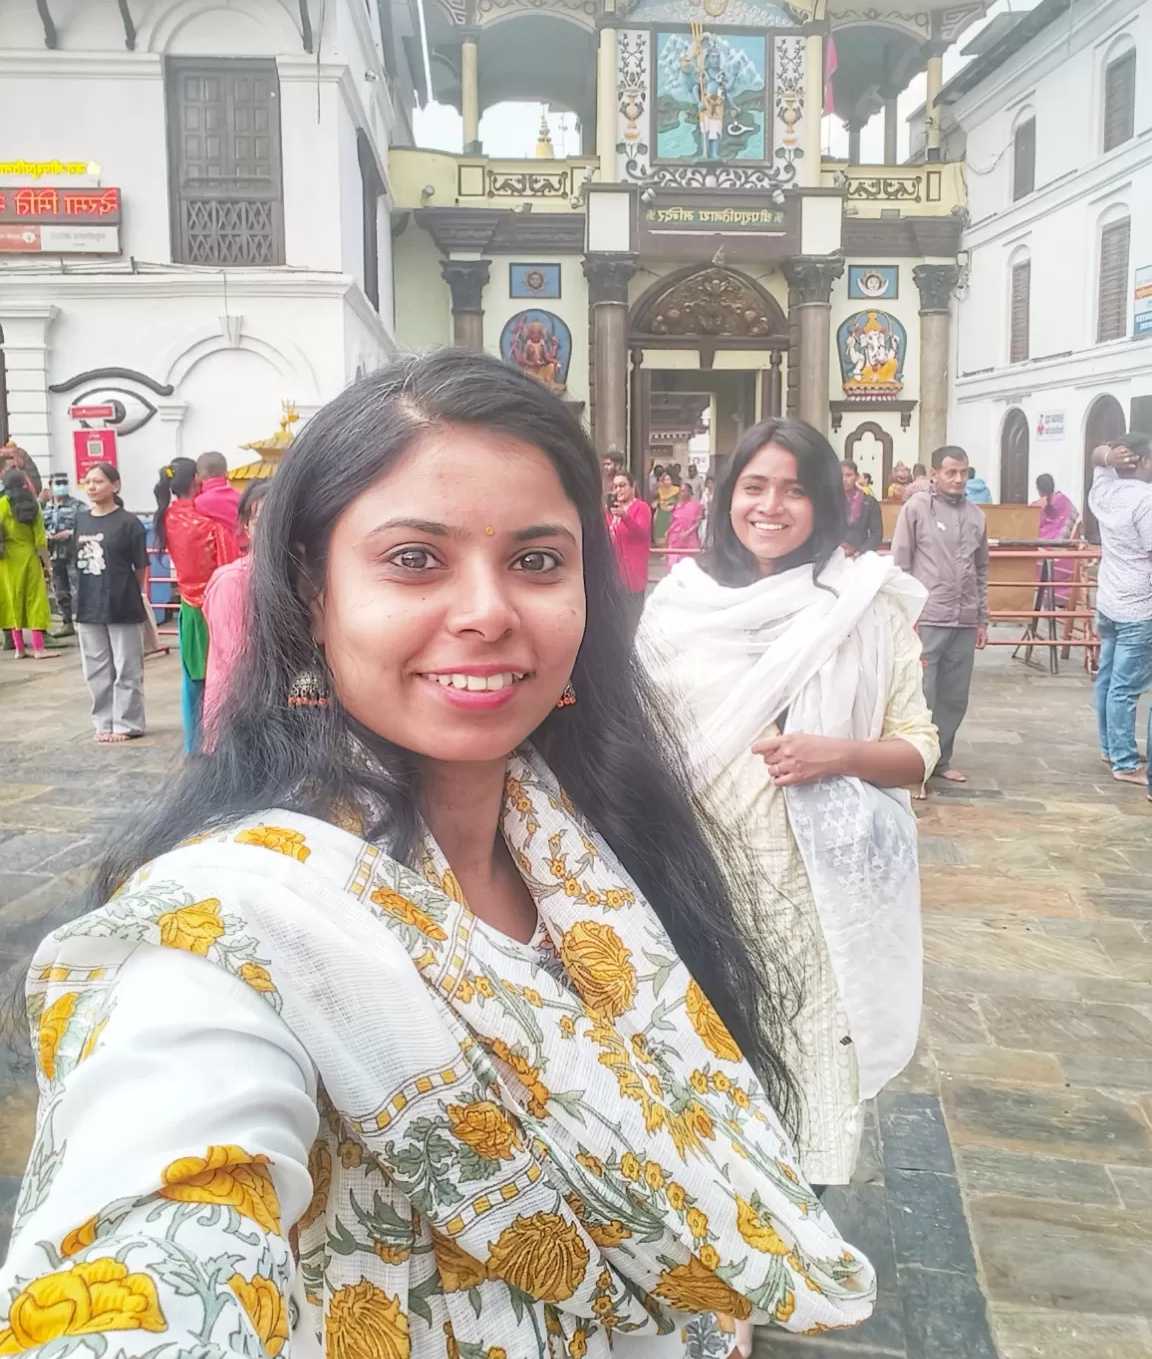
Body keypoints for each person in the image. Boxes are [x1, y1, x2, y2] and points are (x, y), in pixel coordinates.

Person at [2, 351, 877, 1358]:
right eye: (415, 559)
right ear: (312, 592)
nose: (488, 612)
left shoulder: (601, 851)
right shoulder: (233, 929)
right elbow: (159, 1232)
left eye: (538, 561)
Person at [638, 417, 937, 1195]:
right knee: (704, 1057)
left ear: (828, 503)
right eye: (755, 486)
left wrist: (835, 753)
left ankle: (788, 1228)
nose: (771, 507)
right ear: (726, 494)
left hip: (813, 890)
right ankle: (720, 1247)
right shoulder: (680, 604)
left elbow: (917, 747)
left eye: (795, 491)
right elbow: (633, 742)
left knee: (801, 1055)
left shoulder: (862, 606)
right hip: (694, 872)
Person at [891, 445, 988, 785]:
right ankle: (915, 766)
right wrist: (905, 617)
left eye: (963, 472)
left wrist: (981, 619)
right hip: (926, 618)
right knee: (921, 694)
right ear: (934, 474)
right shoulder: (916, 509)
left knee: (953, 696)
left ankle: (941, 760)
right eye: (950, 472)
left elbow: (981, 571)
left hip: (963, 619)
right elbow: (900, 564)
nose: (958, 478)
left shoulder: (977, 516)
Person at [154, 457, 239, 753]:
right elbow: (228, 566)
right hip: (215, 608)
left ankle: (194, 744)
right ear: (197, 481)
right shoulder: (209, 522)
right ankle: (221, 742)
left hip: (188, 608)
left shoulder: (166, 518)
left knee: (192, 680)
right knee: (223, 676)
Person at [1087, 435, 1152, 786]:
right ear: (1141, 461)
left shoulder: (1104, 491)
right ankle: (1126, 762)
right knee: (1125, 687)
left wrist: (1107, 456)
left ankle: (1111, 746)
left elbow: (1096, 459)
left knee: (1109, 679)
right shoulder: (1145, 500)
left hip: (1110, 600)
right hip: (1140, 605)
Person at [75, 461, 149, 742]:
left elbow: (140, 567)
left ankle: (127, 723)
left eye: (98, 481)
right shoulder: (81, 520)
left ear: (115, 486)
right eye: (88, 481)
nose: (92, 486)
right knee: (95, 668)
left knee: (126, 667)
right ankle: (103, 722)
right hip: (88, 604)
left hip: (122, 604)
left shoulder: (129, 522)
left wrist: (130, 592)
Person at [201, 479, 271, 745]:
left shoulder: (303, 577)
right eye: (261, 519)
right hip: (242, 722)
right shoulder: (233, 582)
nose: (271, 527)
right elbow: (236, 659)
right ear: (246, 526)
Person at [0, 468, 58, 660]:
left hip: (7, 561)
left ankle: (19, 649)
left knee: (12, 601)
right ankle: (39, 649)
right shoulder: (34, 506)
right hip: (30, 558)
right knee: (35, 601)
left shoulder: (1, 505)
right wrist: (47, 566)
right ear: (26, 484)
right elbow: (41, 542)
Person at [607, 469, 652, 622]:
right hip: (614, 575)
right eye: (615, 486)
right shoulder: (611, 511)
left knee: (632, 621)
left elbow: (641, 532)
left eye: (622, 485)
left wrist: (625, 517)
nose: (618, 490)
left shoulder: (641, 507)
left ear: (633, 487)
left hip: (634, 576)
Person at [42, 472, 82, 635]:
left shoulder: (78, 506)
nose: (61, 486)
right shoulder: (44, 507)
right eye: (57, 483)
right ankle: (67, 623)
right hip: (53, 554)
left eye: (64, 482)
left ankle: (81, 621)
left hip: (73, 553)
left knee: (78, 588)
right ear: (50, 486)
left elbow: (86, 525)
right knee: (59, 589)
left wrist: (70, 533)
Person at [1032, 473, 1078, 608]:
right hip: (1065, 557)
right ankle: (1061, 602)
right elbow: (1076, 525)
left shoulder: (1036, 507)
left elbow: (1027, 527)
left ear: (1038, 489)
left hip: (1044, 556)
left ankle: (1045, 602)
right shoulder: (1066, 502)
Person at [193, 450, 242, 543]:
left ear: (198, 477)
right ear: (226, 474)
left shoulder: (199, 503)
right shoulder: (240, 496)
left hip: (220, 554)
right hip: (245, 550)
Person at [840, 459, 883, 556]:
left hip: (861, 555)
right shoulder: (831, 501)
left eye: (848, 475)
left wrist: (859, 552)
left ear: (856, 477)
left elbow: (876, 535)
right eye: (841, 475)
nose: (844, 479)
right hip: (834, 555)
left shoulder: (869, 502)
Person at [665, 482, 705, 566]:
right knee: (673, 564)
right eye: (681, 491)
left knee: (689, 565)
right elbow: (671, 521)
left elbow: (698, 522)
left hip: (689, 539)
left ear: (690, 493)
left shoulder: (697, 506)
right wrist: (667, 532)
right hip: (675, 538)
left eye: (684, 491)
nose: (682, 493)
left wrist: (687, 532)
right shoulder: (676, 505)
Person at [652, 469, 679, 545]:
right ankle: (663, 553)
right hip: (661, 515)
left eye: (669, 479)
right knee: (660, 536)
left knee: (670, 534)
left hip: (672, 514)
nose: (667, 481)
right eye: (665, 480)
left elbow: (679, 502)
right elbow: (654, 502)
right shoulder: (659, 491)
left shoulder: (676, 490)